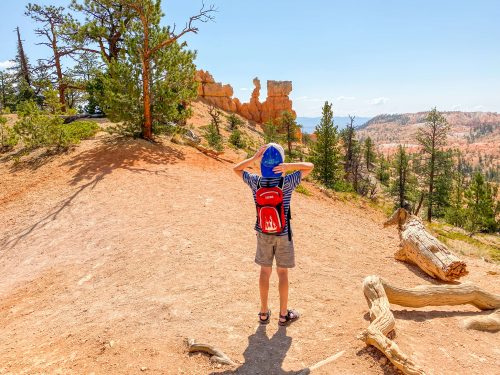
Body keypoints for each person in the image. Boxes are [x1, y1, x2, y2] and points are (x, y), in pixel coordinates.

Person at [233, 143, 314, 326]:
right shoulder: (286, 182)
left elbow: (236, 169)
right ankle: (283, 315)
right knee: (282, 273)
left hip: (263, 232)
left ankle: (263, 313)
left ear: (263, 164)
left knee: (264, 271)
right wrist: (288, 167)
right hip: (283, 233)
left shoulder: (256, 182)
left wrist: (253, 158)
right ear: (280, 162)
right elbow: (310, 166)